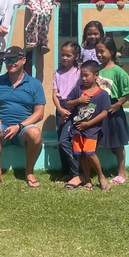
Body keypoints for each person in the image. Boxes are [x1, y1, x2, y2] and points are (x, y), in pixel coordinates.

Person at [0, 46, 45, 188]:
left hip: (23, 128)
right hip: (2, 127)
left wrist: (20, 126)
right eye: (7, 60)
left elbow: (39, 113)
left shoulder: (35, 84)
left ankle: (29, 172)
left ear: (23, 60)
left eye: (14, 59)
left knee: (35, 133)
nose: (11, 63)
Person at [63, 60, 112, 191]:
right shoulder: (78, 90)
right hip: (77, 129)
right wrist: (79, 100)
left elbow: (104, 113)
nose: (83, 78)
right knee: (82, 154)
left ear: (96, 75)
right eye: (82, 76)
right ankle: (87, 179)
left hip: (92, 129)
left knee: (90, 152)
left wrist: (88, 124)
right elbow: (67, 104)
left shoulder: (102, 94)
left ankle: (101, 177)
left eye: (87, 75)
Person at [96, 37, 129, 185]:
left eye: (102, 51)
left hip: (114, 110)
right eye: (97, 52)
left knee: (118, 143)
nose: (99, 54)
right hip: (99, 110)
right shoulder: (97, 71)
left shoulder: (118, 71)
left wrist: (118, 104)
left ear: (112, 51)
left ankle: (122, 172)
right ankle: (94, 169)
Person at [52, 41, 81, 182]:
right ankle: (67, 171)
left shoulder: (79, 73)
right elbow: (54, 94)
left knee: (65, 141)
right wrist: (60, 109)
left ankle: (77, 173)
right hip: (61, 107)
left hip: (73, 109)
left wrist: (67, 110)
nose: (64, 58)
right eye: (63, 55)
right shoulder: (57, 73)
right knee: (60, 142)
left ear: (76, 56)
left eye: (68, 55)